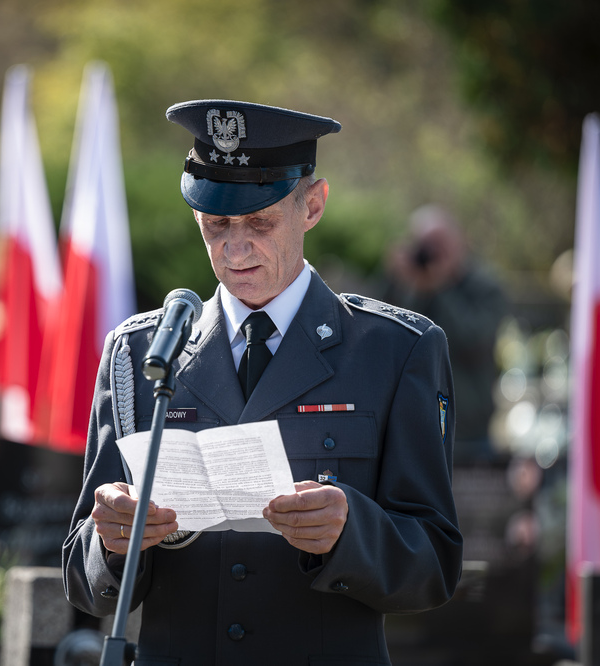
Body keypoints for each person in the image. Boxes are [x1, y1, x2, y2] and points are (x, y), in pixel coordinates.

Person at [62, 100, 462, 665]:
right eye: (216, 223)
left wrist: (351, 531)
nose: (235, 247)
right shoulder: (140, 354)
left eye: (260, 222)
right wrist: (110, 541)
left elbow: (435, 565)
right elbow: (82, 580)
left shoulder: (395, 350)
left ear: (312, 205)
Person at [381, 204, 508, 464]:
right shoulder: (409, 284)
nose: (433, 253)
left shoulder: (485, 287)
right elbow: (384, 334)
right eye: (425, 245)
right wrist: (397, 281)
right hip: (412, 426)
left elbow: (474, 340)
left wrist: (440, 287)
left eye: (439, 244)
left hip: (468, 431)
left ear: (459, 242)